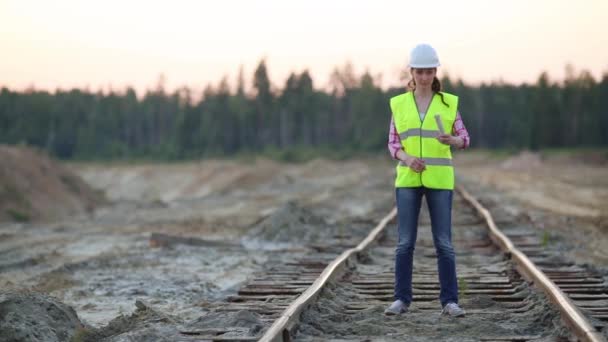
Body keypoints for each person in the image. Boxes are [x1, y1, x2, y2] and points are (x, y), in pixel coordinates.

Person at [384, 43, 470, 317]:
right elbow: (393, 143)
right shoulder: (399, 104)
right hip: (408, 179)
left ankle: (450, 301)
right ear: (412, 72)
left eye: (429, 71)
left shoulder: (448, 103)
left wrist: (453, 139)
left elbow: (465, 139)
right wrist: (407, 159)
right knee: (405, 243)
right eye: (420, 72)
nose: (424, 77)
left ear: (435, 73)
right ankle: (401, 300)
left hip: (440, 181)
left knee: (443, 243)